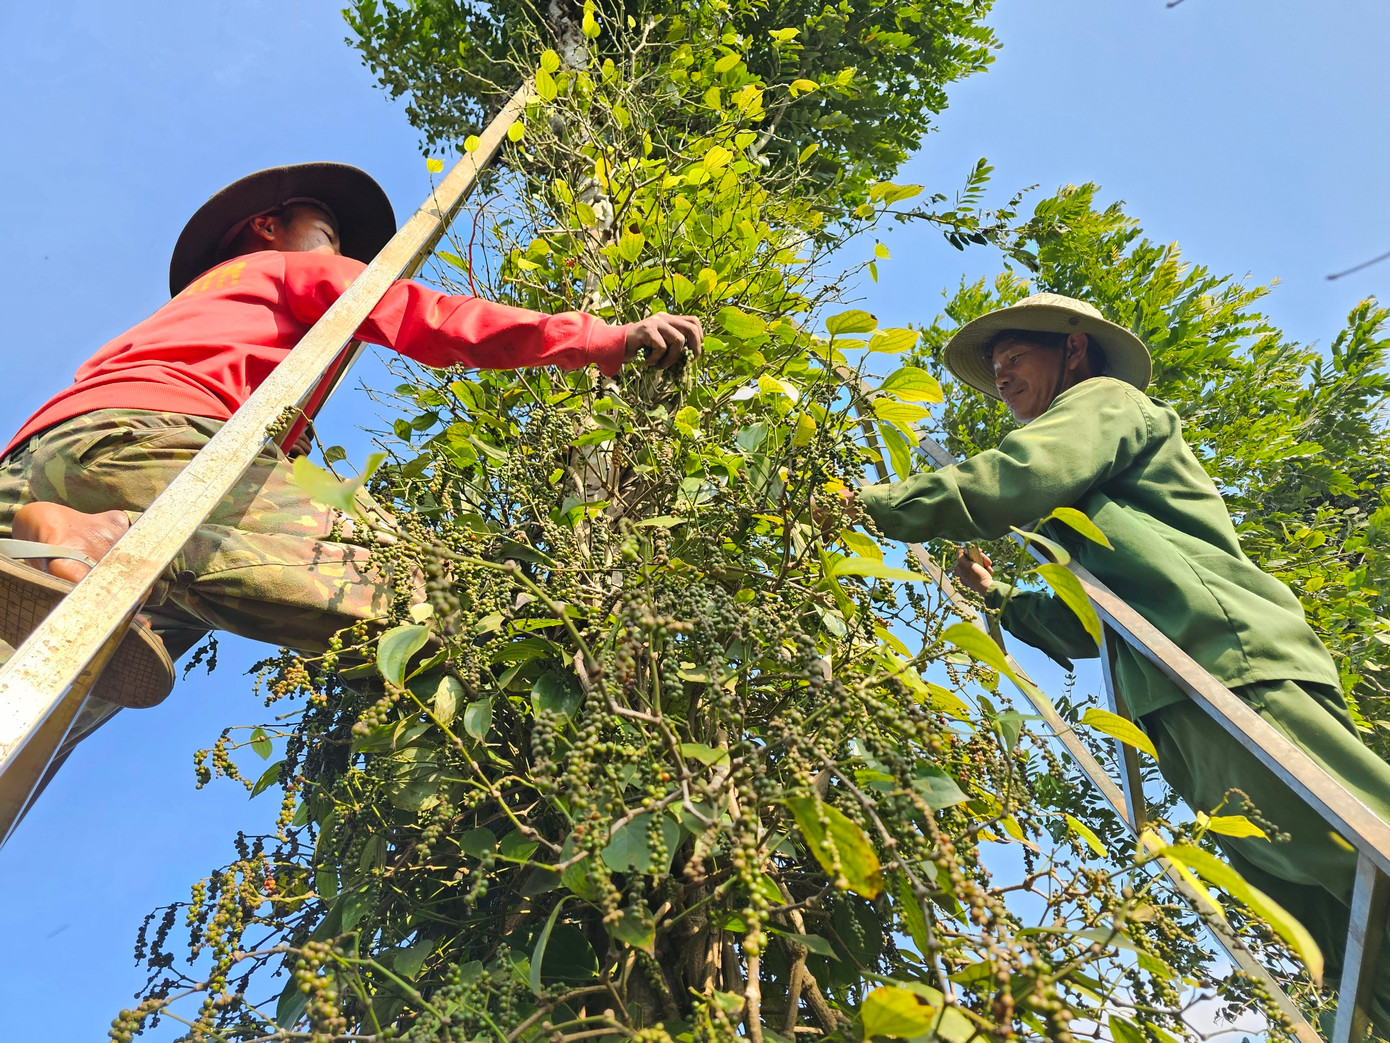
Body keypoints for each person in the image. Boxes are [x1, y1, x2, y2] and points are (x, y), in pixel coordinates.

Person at [0, 162, 702, 772]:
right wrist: (597, 338)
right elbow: (423, 314)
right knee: (434, 602)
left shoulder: (197, 309)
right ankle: (108, 534)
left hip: (44, 458)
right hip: (158, 447)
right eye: (331, 235)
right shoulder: (292, 268)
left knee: (57, 690)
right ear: (271, 225)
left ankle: (83, 547)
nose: (343, 252)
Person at [845, 291, 1390, 1031]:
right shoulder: (1091, 498)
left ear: (1073, 349)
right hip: (1176, 707)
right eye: (996, 364)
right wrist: (1002, 596)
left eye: (1016, 357)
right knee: (1342, 935)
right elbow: (1085, 620)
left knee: (1364, 847)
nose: (1002, 377)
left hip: (1230, 661)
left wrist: (867, 504)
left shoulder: (1106, 402)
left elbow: (1017, 476)